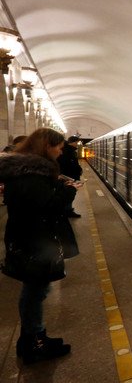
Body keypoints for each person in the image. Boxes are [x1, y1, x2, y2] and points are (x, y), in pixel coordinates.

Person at [0, 128, 77, 363]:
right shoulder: (32, 175)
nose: (60, 151)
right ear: (47, 146)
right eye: (58, 147)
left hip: (28, 238)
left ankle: (34, 337)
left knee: (36, 290)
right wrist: (68, 191)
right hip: (34, 241)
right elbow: (47, 206)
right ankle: (33, 343)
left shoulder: (24, 172)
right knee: (35, 291)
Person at [57, 136, 83, 218]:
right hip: (69, 176)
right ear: (72, 142)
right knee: (69, 192)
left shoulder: (70, 150)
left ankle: (67, 210)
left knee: (70, 192)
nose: (77, 145)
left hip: (70, 176)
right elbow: (69, 164)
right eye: (77, 143)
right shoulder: (68, 151)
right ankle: (67, 211)